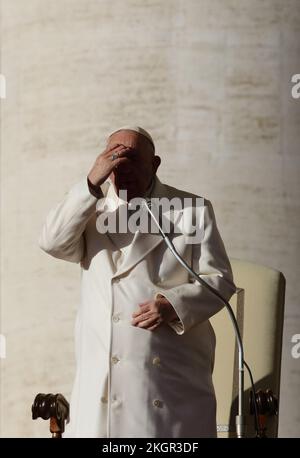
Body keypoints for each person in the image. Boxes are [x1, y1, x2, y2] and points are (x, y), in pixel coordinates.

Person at [39, 125, 236, 438]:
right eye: (114, 158)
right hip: (102, 382)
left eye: (131, 158)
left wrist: (175, 304)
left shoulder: (191, 211)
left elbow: (221, 281)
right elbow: (51, 242)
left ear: (154, 164)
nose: (122, 167)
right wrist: (91, 182)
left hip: (165, 384)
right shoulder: (89, 211)